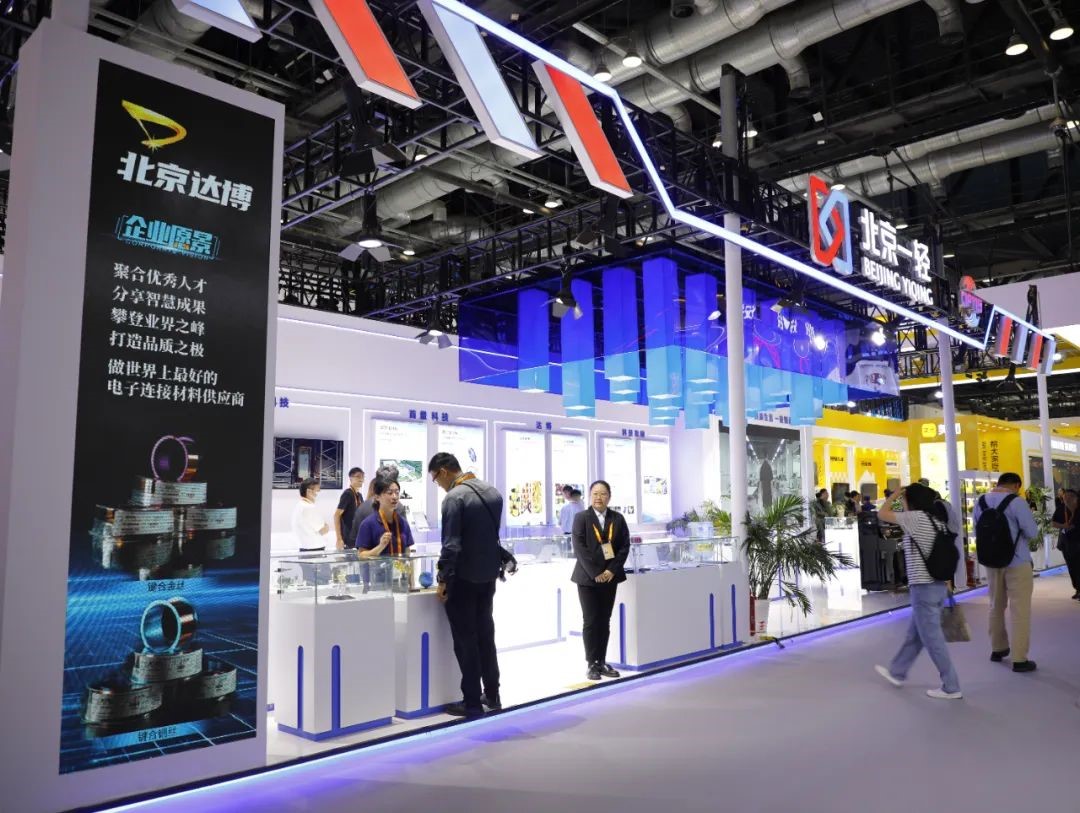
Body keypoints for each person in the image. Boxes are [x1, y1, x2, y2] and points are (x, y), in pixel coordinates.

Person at [429, 452, 505, 718]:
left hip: (462, 579)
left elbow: (451, 545)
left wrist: (442, 579)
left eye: (435, 479)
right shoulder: (492, 492)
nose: (438, 485)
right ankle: (493, 694)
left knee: (466, 641)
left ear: (443, 471)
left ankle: (471, 701)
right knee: (486, 635)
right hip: (488, 576)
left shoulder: (454, 498)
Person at [875, 483, 962, 700]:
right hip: (937, 586)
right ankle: (897, 672)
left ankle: (951, 686)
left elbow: (882, 513)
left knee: (933, 639)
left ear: (911, 501)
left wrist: (895, 494)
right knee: (915, 635)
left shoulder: (915, 519)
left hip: (923, 589)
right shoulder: (936, 521)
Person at [972, 472, 1039, 673]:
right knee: (1020, 610)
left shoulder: (981, 502)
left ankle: (998, 648)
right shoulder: (1017, 502)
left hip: (992, 562)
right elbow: (1032, 532)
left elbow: (976, 531)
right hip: (1017, 561)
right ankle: (1019, 659)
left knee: (995, 606)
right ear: (1016, 485)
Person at [572, 480, 631, 681]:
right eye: (595, 493)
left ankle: (601, 660)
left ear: (609, 497)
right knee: (591, 620)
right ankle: (591, 663)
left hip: (609, 578)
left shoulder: (618, 518)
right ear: (590, 496)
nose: (599, 497)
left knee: (604, 620)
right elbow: (579, 547)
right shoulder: (582, 518)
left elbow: (624, 546)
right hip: (587, 579)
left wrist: (611, 571)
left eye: (603, 493)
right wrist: (596, 572)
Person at [354, 478, 414, 558]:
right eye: (390, 493)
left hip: (400, 566)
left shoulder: (403, 522)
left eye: (397, 493)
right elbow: (361, 555)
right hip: (377, 566)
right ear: (377, 497)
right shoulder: (368, 524)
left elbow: (407, 550)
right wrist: (381, 546)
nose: (394, 497)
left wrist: (409, 564)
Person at [1052, 488, 1080, 600]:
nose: (1067, 499)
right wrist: (1063, 526)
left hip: (1078, 541)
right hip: (1066, 543)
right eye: (1065, 497)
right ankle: (1077, 588)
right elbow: (1053, 523)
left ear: (1076, 498)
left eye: (1070, 497)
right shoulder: (1061, 508)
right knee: (1072, 567)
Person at [290, 478, 329, 552]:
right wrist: (326, 525)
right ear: (309, 491)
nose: (319, 493)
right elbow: (324, 530)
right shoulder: (309, 507)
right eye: (317, 490)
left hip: (305, 548)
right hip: (315, 550)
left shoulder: (299, 505)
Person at [334, 467, 365, 550]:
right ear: (351, 478)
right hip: (348, 540)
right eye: (358, 476)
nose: (361, 479)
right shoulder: (348, 494)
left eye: (362, 476)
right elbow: (337, 515)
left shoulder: (360, 496)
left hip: (358, 538)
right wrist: (339, 539)